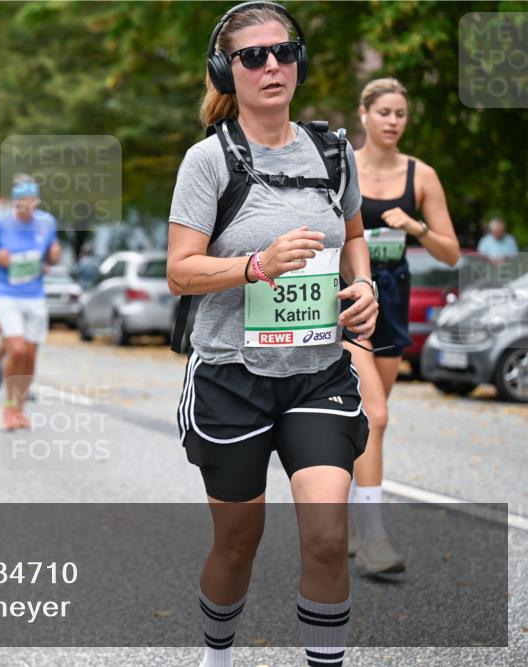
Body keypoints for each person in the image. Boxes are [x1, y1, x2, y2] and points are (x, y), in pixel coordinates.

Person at [166, 3, 378, 666]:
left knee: (324, 535)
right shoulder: (209, 162)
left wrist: (364, 284)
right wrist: (255, 266)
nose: (271, 65)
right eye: (252, 56)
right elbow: (179, 271)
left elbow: (353, 236)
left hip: (317, 372)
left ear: (300, 62)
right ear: (225, 71)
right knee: (237, 541)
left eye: (283, 51)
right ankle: (218, 653)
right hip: (232, 378)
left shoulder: (334, 151)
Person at [345, 77, 460, 575]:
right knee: (375, 416)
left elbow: (451, 252)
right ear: (365, 115)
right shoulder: (341, 165)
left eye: (401, 114)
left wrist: (413, 227)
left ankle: (348, 511)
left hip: (393, 295)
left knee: (368, 419)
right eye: (384, 112)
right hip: (347, 296)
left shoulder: (422, 176)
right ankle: (373, 539)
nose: (393, 121)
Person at [0, 175, 61, 430]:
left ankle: (19, 409)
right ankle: (8, 407)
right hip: (7, 294)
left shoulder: (47, 222)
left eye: (31, 200)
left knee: (31, 357)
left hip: (35, 296)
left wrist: (55, 256)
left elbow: (50, 257)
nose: (27, 205)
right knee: (19, 350)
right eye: (22, 200)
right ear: (14, 202)